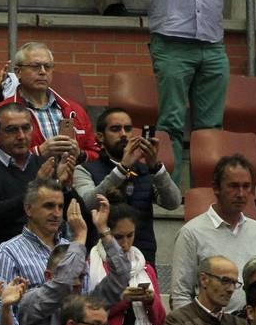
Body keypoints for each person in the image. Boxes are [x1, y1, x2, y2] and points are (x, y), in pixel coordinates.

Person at [141, 0, 251, 170]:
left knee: (212, 125)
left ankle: (208, 189)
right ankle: (170, 197)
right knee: (171, 123)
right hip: (172, 42)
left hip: (212, 42)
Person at [73, 109, 181, 264]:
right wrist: (122, 169)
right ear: (100, 137)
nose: (123, 134)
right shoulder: (84, 169)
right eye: (115, 129)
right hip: (101, 261)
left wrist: (155, 167)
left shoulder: (146, 170)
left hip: (143, 260)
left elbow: (173, 203)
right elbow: (87, 204)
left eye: (128, 129)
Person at [171, 156, 256, 312]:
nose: (241, 193)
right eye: (233, 186)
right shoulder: (191, 233)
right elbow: (180, 295)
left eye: (246, 186)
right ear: (216, 188)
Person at [0, 103, 69, 256]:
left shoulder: (44, 164)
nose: (21, 136)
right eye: (12, 130)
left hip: (51, 254)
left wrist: (66, 186)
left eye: (26, 128)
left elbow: (70, 212)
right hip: (6, 255)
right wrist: (36, 186)